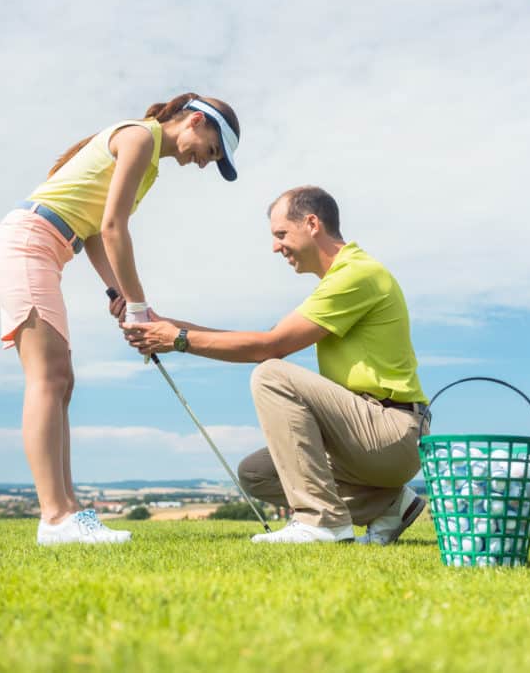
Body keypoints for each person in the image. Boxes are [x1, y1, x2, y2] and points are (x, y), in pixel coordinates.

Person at [0, 93, 241, 545]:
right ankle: (56, 518)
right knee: (47, 379)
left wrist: (118, 294)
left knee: (61, 381)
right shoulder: (140, 137)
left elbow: (97, 233)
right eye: (213, 150)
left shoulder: (151, 163)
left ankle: (65, 514)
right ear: (197, 121)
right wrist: (140, 308)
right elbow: (113, 228)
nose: (205, 162)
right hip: (28, 245)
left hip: (46, 248)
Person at [122, 186, 429, 544]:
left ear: (312, 224)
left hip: (391, 432)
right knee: (256, 473)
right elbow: (265, 338)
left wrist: (178, 339)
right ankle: (389, 506)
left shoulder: (357, 274)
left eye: (281, 234)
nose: (275, 247)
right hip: (364, 434)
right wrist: (171, 327)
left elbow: (270, 348)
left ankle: (322, 522)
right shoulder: (338, 281)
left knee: (271, 375)